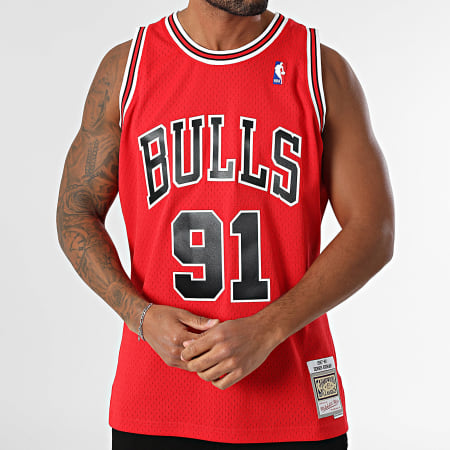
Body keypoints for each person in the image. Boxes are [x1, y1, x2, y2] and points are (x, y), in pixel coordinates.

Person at [56, 1, 395, 449]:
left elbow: (374, 229)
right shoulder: (127, 69)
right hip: (157, 406)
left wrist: (268, 328)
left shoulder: (320, 69)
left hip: (292, 401)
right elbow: (76, 211)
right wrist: (140, 316)